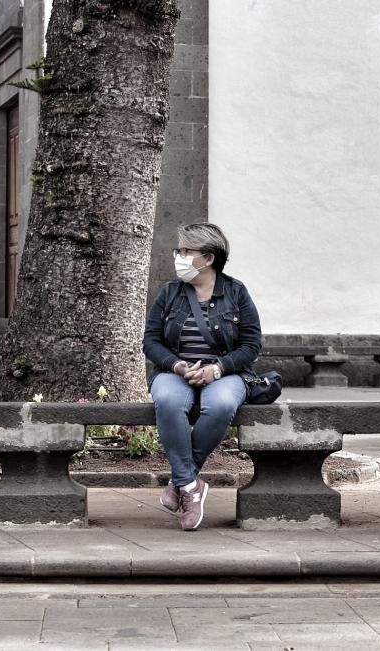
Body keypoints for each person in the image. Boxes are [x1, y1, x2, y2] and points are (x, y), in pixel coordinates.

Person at [143, 223, 263, 531]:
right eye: (179, 251)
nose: (179, 257)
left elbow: (252, 345)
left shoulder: (236, 292)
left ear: (207, 258)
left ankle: (180, 482)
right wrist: (177, 365)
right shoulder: (170, 292)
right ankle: (190, 484)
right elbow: (151, 340)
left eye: (185, 252)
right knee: (168, 401)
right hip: (176, 371)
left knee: (222, 405)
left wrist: (217, 369)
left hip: (226, 372)